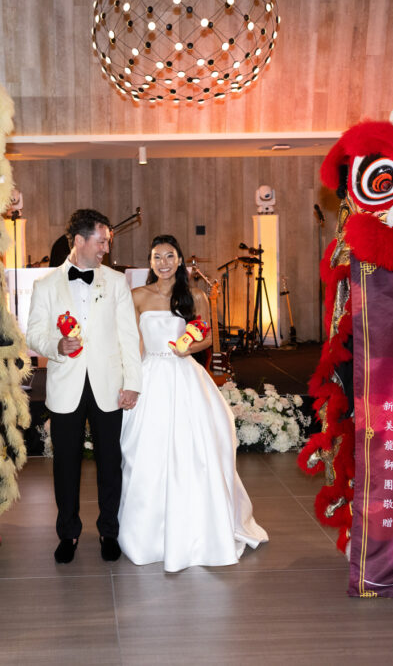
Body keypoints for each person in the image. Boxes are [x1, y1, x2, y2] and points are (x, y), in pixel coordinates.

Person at [118, 235, 268, 571]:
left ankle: (198, 529)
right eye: (157, 257)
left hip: (184, 375)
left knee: (194, 450)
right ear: (150, 261)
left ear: (180, 259)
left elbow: (209, 335)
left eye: (170, 256)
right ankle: (147, 534)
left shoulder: (194, 296)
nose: (164, 262)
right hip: (150, 374)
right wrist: (131, 382)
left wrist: (190, 348)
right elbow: (134, 343)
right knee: (148, 451)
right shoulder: (137, 296)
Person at [26, 209, 142, 564]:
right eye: (101, 240)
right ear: (79, 241)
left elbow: (128, 336)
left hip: (109, 385)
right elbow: (33, 333)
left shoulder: (117, 282)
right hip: (66, 385)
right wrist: (55, 347)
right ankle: (68, 533)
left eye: (107, 241)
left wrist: (132, 383)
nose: (106, 247)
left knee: (110, 463)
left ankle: (109, 530)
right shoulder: (45, 285)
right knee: (65, 465)